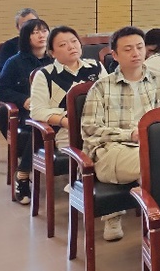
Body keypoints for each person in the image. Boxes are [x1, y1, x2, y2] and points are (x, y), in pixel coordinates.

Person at [81, 27, 160, 241]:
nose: (136, 53)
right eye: (128, 49)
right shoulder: (101, 87)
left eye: (140, 47)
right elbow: (90, 129)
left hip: (152, 146)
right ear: (114, 55)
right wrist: (130, 135)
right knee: (159, 164)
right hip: (112, 151)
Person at [30, 26, 106, 188]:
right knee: (99, 154)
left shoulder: (95, 67)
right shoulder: (45, 75)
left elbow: (109, 97)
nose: (71, 47)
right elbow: (37, 111)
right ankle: (83, 189)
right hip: (67, 131)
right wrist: (66, 121)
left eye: (74, 41)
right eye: (63, 45)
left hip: (99, 125)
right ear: (52, 52)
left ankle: (92, 189)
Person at [0, 18, 52, 204]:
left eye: (44, 31)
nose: (41, 35)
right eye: (35, 32)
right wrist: (23, 100)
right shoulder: (15, 62)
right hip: (27, 113)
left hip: (53, 110)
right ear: (26, 37)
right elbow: (0, 90)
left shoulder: (55, 59)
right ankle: (23, 176)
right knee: (41, 127)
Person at [0, 7, 40, 72]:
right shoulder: (10, 46)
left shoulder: (48, 43)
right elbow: (2, 72)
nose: (30, 27)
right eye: (25, 25)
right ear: (18, 28)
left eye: (33, 23)